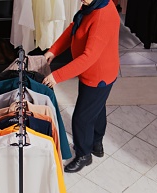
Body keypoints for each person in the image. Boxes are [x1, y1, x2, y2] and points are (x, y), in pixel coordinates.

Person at [42, 0, 120, 173]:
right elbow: (74, 28)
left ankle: (84, 155)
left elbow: (88, 57)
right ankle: (96, 144)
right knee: (97, 108)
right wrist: (54, 50)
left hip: (98, 76)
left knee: (81, 118)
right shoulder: (93, 5)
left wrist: (57, 76)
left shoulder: (101, 16)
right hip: (97, 73)